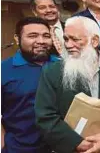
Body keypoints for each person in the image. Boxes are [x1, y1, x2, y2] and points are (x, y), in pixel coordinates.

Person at [35, 16, 100, 153]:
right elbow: (45, 115)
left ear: (94, 41)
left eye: (75, 39)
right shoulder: (52, 71)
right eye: (66, 39)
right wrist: (77, 143)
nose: (68, 45)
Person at [1, 17, 58, 153]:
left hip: (61, 146)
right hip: (20, 148)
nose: (41, 41)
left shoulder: (63, 65)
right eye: (32, 36)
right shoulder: (4, 70)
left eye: (46, 36)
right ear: (17, 38)